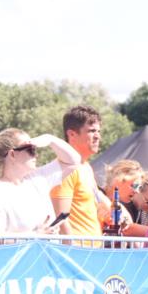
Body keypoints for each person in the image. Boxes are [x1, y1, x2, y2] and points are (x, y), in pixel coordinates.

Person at [0, 129, 82, 245]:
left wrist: (50, 139)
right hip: (19, 262)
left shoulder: (38, 179)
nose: (36, 154)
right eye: (30, 149)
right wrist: (35, 236)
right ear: (12, 154)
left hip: (47, 259)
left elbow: (74, 161)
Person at [50, 105, 109, 245]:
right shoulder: (65, 169)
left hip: (92, 252)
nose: (98, 136)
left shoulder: (86, 167)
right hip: (77, 254)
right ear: (71, 134)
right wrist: (74, 253)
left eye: (98, 131)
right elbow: (61, 219)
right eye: (91, 131)